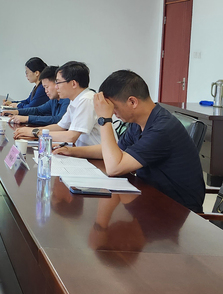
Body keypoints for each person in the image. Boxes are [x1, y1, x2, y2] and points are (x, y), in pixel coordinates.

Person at [54, 70, 205, 213]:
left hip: (176, 210)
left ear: (132, 102)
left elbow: (114, 167)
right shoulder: (138, 123)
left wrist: (104, 119)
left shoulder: (162, 128)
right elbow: (114, 151)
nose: (113, 113)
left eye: (114, 108)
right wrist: (72, 151)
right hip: (150, 197)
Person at [14, 61, 102, 146]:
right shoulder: (75, 100)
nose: (56, 87)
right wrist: (32, 130)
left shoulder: (86, 99)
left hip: (92, 154)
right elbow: (60, 127)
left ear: (73, 84)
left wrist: (35, 133)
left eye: (58, 83)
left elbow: (71, 137)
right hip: (80, 150)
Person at [3, 65, 69, 126]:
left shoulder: (67, 99)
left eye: (47, 87)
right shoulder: (54, 100)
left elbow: (58, 120)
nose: (46, 91)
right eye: (44, 88)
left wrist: (27, 118)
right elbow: (38, 110)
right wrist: (16, 112)